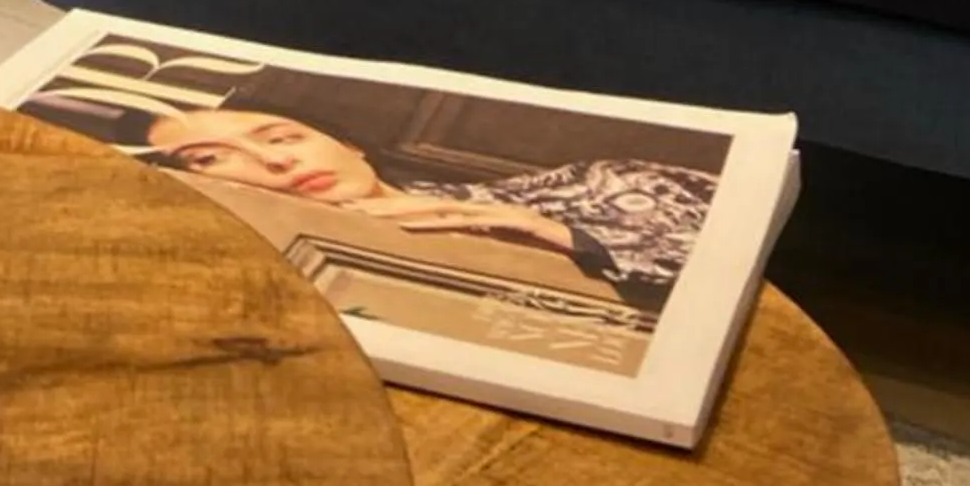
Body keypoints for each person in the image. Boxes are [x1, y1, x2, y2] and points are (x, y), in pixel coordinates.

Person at [135, 81, 718, 308]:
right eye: (211, 158)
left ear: (348, 145)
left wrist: (555, 235)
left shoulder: (598, 184)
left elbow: (730, 270)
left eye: (283, 137)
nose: (275, 160)